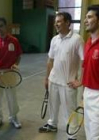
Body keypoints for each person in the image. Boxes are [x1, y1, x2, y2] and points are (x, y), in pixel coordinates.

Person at [38, 12, 84, 140]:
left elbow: (84, 60)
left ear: (68, 22)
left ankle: (72, 134)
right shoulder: (54, 39)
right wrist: (47, 78)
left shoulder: (77, 39)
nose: (56, 24)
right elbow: (50, 60)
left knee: (69, 110)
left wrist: (80, 80)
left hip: (68, 83)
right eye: (55, 22)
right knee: (53, 106)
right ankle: (52, 124)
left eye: (59, 21)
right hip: (53, 80)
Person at [0, 17, 22, 130]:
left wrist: (16, 64)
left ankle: (13, 117)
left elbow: (18, 55)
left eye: (1, 26)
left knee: (12, 97)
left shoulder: (14, 41)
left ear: (6, 26)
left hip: (10, 73)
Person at [82, 4, 99, 140]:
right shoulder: (88, 42)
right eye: (85, 17)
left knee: (95, 136)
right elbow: (86, 67)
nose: (85, 20)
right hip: (87, 93)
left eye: (89, 17)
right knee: (89, 132)